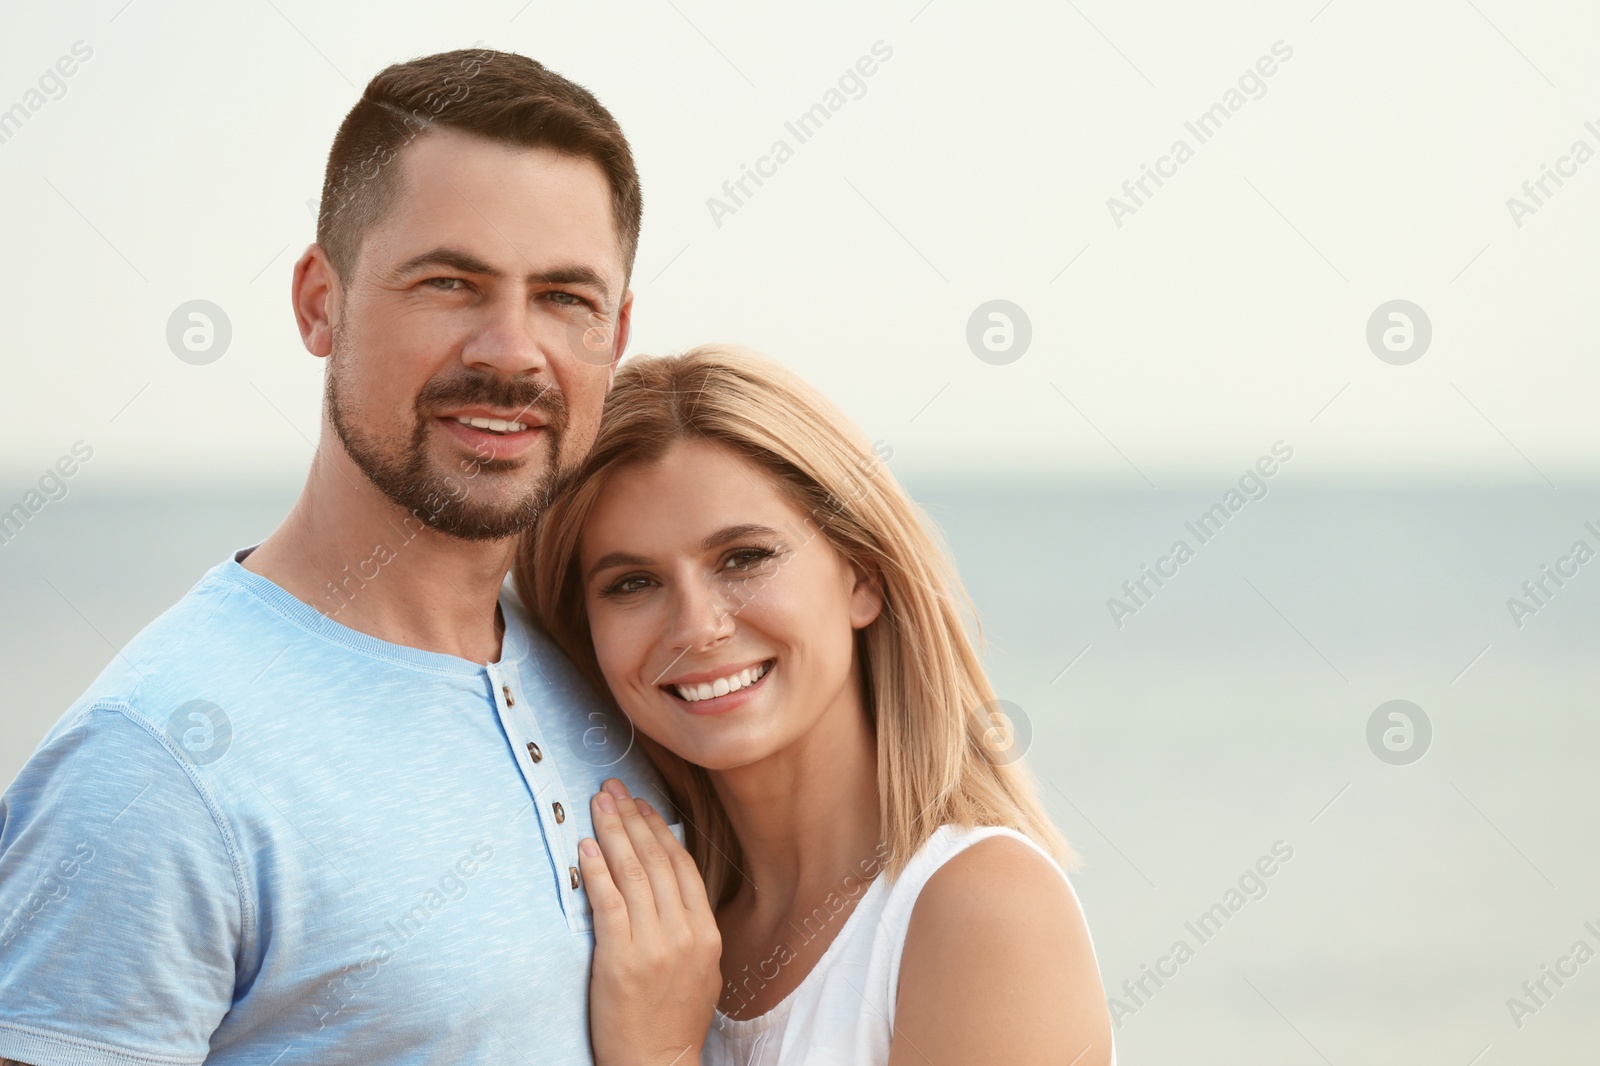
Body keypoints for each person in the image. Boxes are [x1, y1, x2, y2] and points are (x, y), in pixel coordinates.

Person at [0, 48, 682, 1065]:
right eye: (450, 282)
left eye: (563, 297)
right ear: (320, 300)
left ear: (616, 332)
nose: (509, 349)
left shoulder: (624, 677)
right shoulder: (153, 763)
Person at [519, 345, 1117, 1064]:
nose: (696, 627)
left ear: (862, 577)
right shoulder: (650, 933)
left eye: (743, 558)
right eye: (631, 584)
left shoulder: (981, 908)